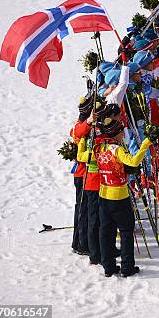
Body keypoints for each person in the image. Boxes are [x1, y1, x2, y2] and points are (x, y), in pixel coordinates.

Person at [94, 116, 153, 277]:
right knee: (126, 231)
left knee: (106, 232)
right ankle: (127, 266)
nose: (123, 134)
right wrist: (145, 145)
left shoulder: (99, 147)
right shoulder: (117, 149)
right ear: (115, 133)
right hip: (119, 196)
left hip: (103, 195)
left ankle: (108, 266)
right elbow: (133, 162)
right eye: (121, 132)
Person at [69, 94, 94, 255]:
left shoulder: (83, 125)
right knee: (83, 210)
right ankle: (81, 243)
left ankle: (82, 242)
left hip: (86, 175)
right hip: (82, 174)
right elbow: (79, 131)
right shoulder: (80, 126)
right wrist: (90, 121)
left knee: (84, 209)